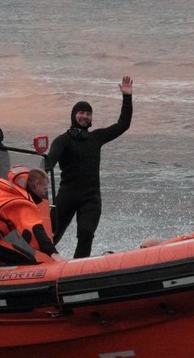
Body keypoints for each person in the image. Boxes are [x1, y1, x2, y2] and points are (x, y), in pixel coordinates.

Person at [47, 76, 133, 259]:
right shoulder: (63, 140)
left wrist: (127, 97)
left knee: (86, 234)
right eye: (81, 113)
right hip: (67, 195)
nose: (85, 116)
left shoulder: (96, 138)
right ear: (74, 115)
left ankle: (78, 269)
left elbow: (123, 125)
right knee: (51, 235)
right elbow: (48, 162)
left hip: (91, 198)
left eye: (88, 113)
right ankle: (37, 263)